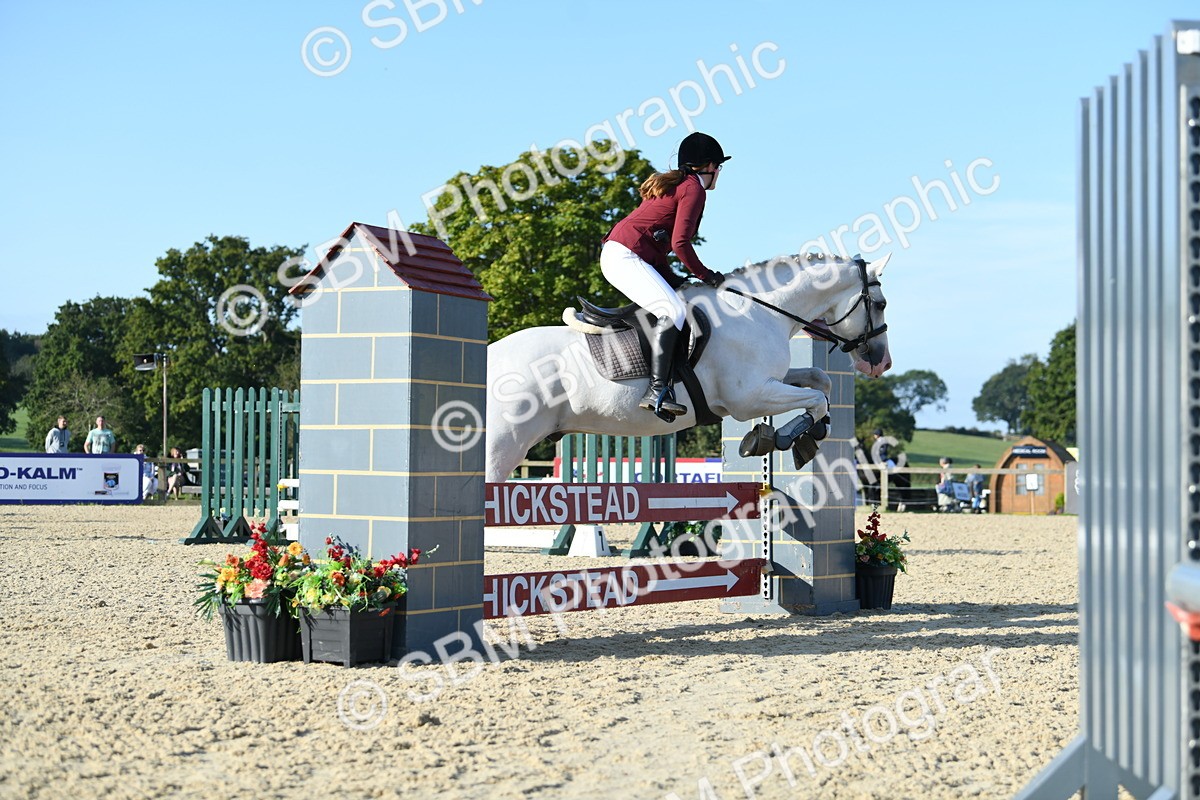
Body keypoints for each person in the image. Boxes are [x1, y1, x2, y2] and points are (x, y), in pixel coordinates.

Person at [600, 131, 731, 420]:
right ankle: (657, 389)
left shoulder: (681, 185)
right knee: (671, 310)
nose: (719, 172)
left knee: (680, 300)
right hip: (625, 255)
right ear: (708, 166)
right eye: (719, 166)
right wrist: (707, 276)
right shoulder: (692, 188)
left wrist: (680, 280)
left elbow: (660, 248)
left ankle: (668, 383)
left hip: (631, 255)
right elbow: (680, 244)